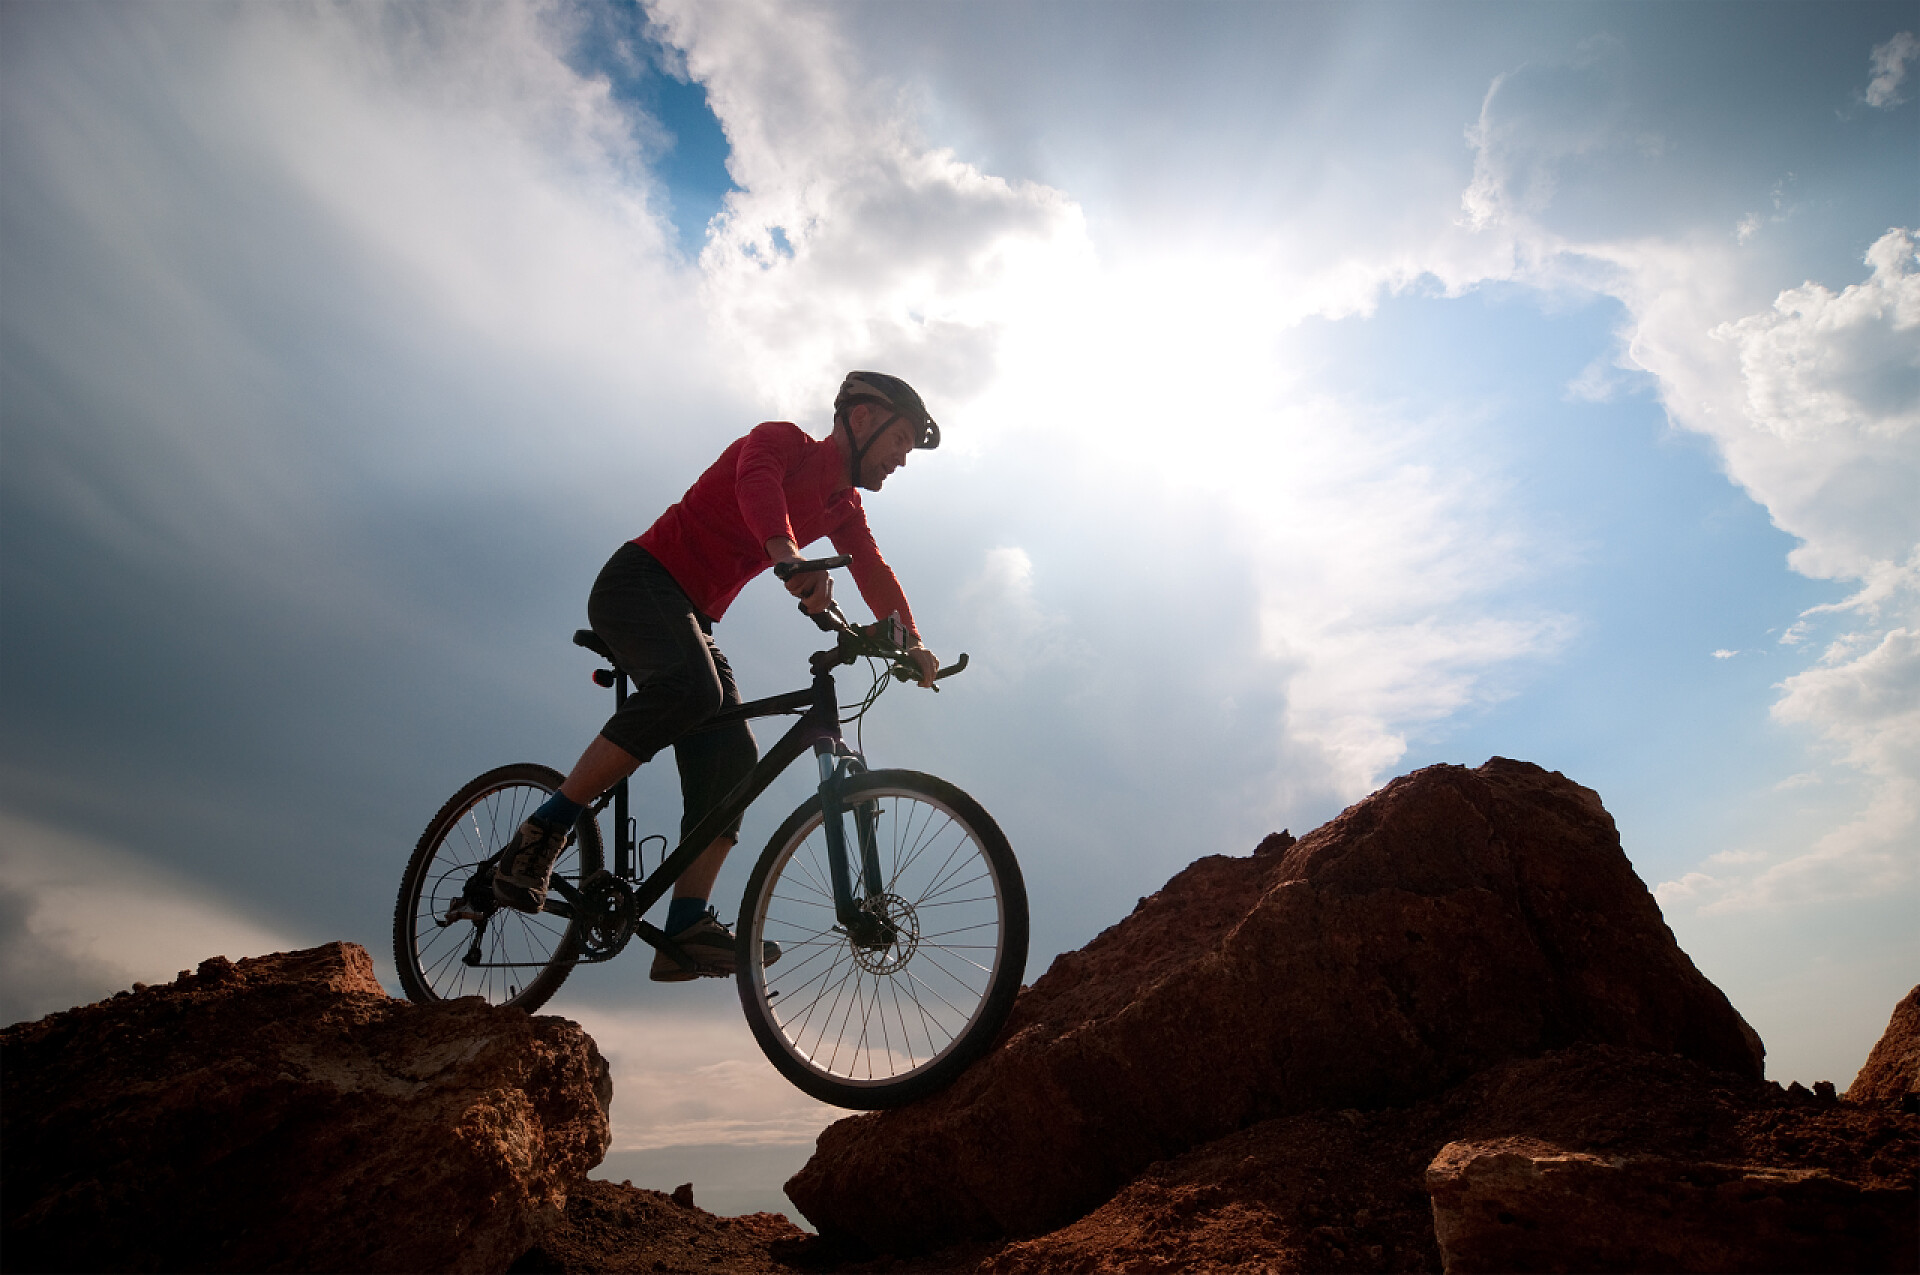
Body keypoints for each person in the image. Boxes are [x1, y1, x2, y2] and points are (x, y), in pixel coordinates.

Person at [491, 371, 943, 982]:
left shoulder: (844, 507)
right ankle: (542, 831)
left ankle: (685, 926)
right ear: (862, 418)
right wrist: (787, 554)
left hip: (694, 617)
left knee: (733, 753)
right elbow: (759, 489)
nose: (901, 460)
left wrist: (910, 640)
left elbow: (872, 570)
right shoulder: (779, 441)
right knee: (692, 689)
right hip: (638, 582)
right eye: (902, 441)